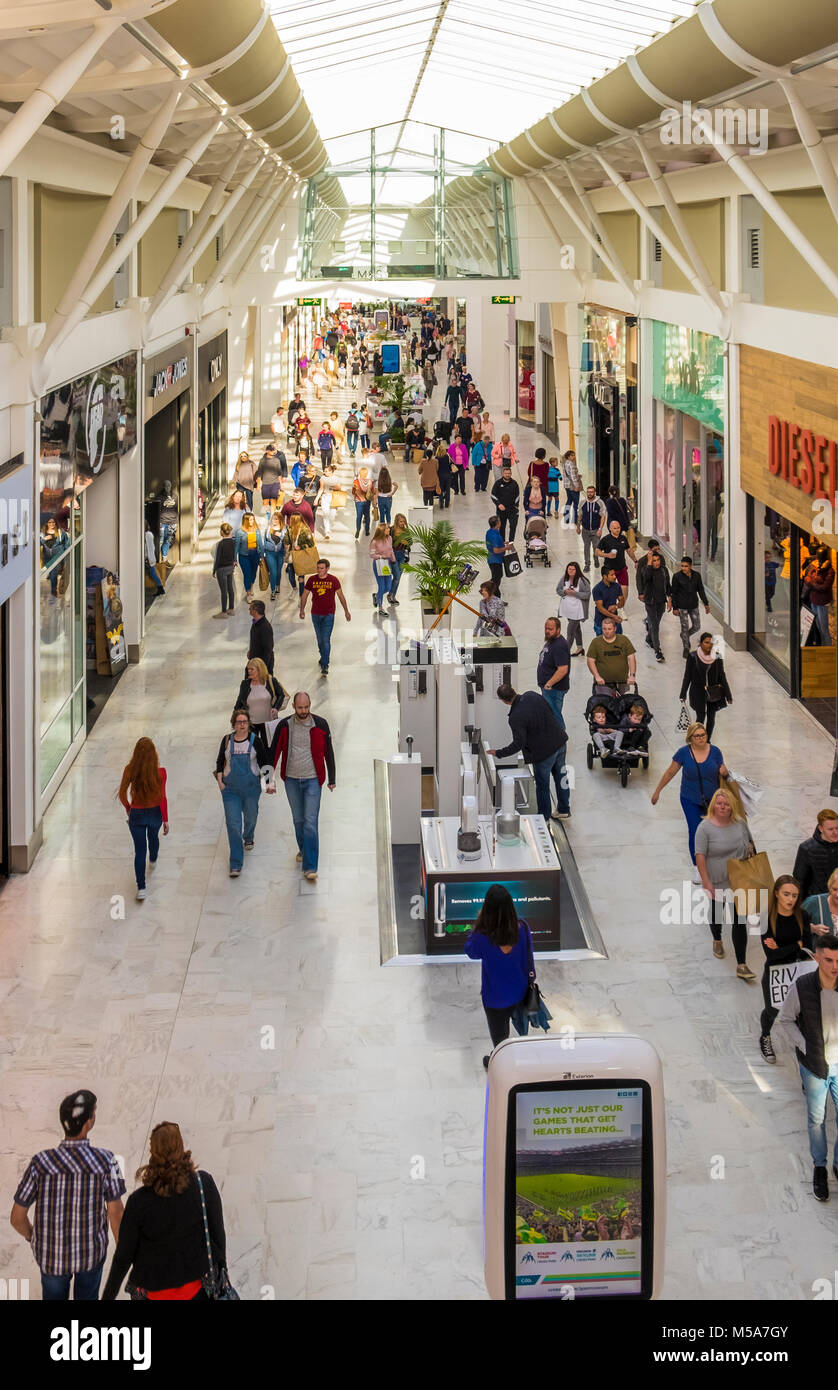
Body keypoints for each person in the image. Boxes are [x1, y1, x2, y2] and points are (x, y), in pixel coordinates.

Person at [10, 1090, 125, 1301]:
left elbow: (17, 1218)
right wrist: (124, 1255)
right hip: (91, 1254)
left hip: (50, 1257)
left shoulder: (39, 1162)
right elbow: (116, 1213)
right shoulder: (108, 1160)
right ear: (89, 1122)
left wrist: (32, 1236)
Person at [101, 1122, 227, 1302]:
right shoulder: (203, 1184)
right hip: (197, 1290)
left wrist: (108, 1297)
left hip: (154, 1293)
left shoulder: (139, 1201)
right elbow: (218, 1235)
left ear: (153, 1153)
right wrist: (223, 1276)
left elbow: (123, 1257)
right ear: (181, 1146)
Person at [777, 932, 838, 1202]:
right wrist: (804, 1046)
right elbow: (786, 1019)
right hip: (814, 1066)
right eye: (828, 960)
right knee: (817, 1119)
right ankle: (820, 1167)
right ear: (816, 958)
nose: (835, 966)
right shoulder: (802, 986)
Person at [464, 884, 534, 1068]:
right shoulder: (523, 928)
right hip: (519, 993)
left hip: (494, 999)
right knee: (520, 1031)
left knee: (500, 1040)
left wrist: (478, 924)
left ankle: (502, 1066)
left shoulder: (482, 937)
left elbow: (470, 951)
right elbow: (529, 959)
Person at [273, 692, 336, 883]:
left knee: (310, 822)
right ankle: (303, 849)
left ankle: (310, 867)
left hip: (312, 780)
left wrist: (332, 777)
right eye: (300, 708)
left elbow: (329, 752)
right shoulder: (285, 725)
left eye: (306, 707)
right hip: (291, 779)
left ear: (310, 705)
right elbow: (274, 751)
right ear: (293, 706)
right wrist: (267, 778)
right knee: (298, 820)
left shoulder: (321, 724)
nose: (303, 711)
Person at [651, 721, 729, 875]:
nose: (701, 738)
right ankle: (697, 867)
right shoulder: (683, 753)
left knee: (714, 831)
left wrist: (725, 772)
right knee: (695, 830)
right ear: (690, 738)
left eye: (703, 735)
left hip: (713, 799)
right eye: (697, 736)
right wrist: (657, 791)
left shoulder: (715, 752)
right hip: (690, 798)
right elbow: (670, 772)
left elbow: (722, 772)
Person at [695, 787, 757, 982]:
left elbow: (751, 844)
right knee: (716, 912)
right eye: (719, 803)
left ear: (732, 806)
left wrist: (749, 850)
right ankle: (717, 938)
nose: (723, 807)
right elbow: (700, 855)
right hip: (717, 880)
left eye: (727, 804)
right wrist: (706, 881)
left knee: (740, 920)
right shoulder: (704, 828)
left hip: (738, 880)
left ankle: (742, 964)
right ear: (714, 805)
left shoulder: (740, 824)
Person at [488, 683, 570, 821]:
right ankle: (564, 809)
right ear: (513, 690)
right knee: (561, 776)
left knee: (542, 785)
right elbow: (550, 711)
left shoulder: (515, 717)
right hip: (560, 742)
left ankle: (543, 818)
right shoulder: (532, 695)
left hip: (544, 753)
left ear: (503, 700)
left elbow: (518, 744)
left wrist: (498, 753)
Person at [758, 875, 813, 1063]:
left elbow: (808, 944)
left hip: (799, 969)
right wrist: (795, 944)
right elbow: (771, 955)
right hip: (775, 972)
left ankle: (804, 1049)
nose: (791, 899)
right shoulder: (767, 918)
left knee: (802, 1012)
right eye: (786, 894)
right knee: (772, 1009)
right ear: (776, 894)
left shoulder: (802, 915)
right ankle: (765, 1036)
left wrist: (783, 947)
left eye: (795, 895)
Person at [214, 710, 275, 877]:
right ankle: (236, 863)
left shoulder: (256, 742)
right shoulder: (227, 740)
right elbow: (220, 761)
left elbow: (264, 763)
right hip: (230, 790)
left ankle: (248, 835)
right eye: (239, 722)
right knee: (233, 825)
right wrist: (220, 782)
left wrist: (269, 783)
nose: (242, 725)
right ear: (234, 724)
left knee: (251, 817)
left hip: (251, 789)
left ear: (249, 724)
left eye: (245, 722)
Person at [118, 737, 169, 901]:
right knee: (153, 838)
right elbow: (163, 798)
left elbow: (121, 794)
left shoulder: (129, 770)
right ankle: (153, 858)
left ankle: (141, 888)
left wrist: (128, 808)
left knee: (139, 851)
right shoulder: (161, 773)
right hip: (155, 813)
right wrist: (166, 819)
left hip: (137, 814)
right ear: (154, 754)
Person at [299, 558, 351, 674]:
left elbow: (340, 596)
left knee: (325, 639)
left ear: (327, 568)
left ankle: (325, 664)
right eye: (318, 568)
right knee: (320, 640)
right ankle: (323, 657)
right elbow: (305, 595)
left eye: (322, 568)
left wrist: (346, 611)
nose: (319, 570)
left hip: (329, 614)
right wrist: (302, 609)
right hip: (315, 614)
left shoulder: (333, 580)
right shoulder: (312, 580)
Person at [679, 632, 732, 738]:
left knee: (711, 717)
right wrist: (683, 693)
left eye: (711, 642)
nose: (709, 645)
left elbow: (722, 676)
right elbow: (687, 676)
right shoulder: (693, 657)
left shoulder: (717, 657)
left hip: (713, 691)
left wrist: (728, 695)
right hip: (698, 691)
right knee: (700, 717)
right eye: (706, 642)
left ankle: (707, 739)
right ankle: (698, 738)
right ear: (701, 643)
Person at [235, 658, 285, 748]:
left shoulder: (271, 681)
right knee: (253, 749)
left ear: (259, 670)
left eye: (252, 669)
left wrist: (276, 708)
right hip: (251, 724)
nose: (249, 671)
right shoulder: (245, 684)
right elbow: (239, 703)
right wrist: (236, 720)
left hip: (268, 723)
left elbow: (281, 695)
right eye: (248, 669)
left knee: (268, 749)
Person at [671, 554, 711, 657]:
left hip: (693, 605)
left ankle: (684, 636)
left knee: (697, 626)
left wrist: (706, 603)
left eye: (686, 566)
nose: (683, 568)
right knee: (685, 627)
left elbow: (700, 589)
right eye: (682, 566)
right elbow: (673, 593)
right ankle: (686, 647)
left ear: (690, 566)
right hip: (682, 606)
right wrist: (675, 608)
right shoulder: (677, 577)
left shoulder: (697, 576)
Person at [793, 809, 838, 900]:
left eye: (837, 828)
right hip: (817, 902)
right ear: (820, 828)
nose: (835, 833)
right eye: (830, 829)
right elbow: (799, 881)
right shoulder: (806, 848)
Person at [586, 615, 636, 690]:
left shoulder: (624, 640)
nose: (607, 631)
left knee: (621, 700)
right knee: (605, 701)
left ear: (615, 629)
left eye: (609, 629)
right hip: (603, 683)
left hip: (622, 681)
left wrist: (632, 675)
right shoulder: (596, 642)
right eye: (604, 629)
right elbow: (590, 660)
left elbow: (631, 657)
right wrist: (597, 676)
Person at [537, 616, 570, 730]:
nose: (547, 631)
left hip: (554, 690)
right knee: (551, 716)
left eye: (550, 629)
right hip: (549, 689)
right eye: (546, 628)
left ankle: (560, 746)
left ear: (558, 630)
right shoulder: (552, 641)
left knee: (555, 719)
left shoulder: (559, 646)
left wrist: (549, 683)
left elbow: (563, 669)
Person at [641, 549, 672, 662]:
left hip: (661, 601)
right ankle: (657, 651)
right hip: (650, 602)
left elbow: (668, 585)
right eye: (654, 561)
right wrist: (649, 562)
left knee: (655, 623)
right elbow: (646, 578)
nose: (657, 562)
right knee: (655, 625)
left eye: (658, 560)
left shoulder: (664, 570)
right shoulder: (646, 569)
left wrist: (669, 598)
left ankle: (649, 638)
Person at [595, 519, 637, 600]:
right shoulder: (605, 539)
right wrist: (607, 555)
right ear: (610, 529)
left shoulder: (623, 538)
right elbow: (597, 552)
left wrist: (635, 560)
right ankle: (611, 605)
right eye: (615, 528)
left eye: (618, 528)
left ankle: (621, 606)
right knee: (610, 590)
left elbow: (628, 550)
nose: (617, 530)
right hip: (610, 570)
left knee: (625, 589)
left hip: (622, 568)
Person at [556, 561, 590, 656]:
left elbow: (587, 594)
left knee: (570, 631)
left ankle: (565, 653)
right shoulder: (564, 579)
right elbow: (558, 590)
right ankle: (580, 648)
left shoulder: (582, 581)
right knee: (576, 629)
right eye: (569, 569)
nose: (571, 571)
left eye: (573, 569)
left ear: (577, 570)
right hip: (567, 609)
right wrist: (565, 592)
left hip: (577, 610)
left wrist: (575, 593)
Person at [577, 485, 606, 572]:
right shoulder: (582, 502)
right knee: (586, 547)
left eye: (591, 492)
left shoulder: (600, 502)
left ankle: (596, 558)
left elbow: (603, 517)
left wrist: (600, 529)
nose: (590, 493)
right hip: (585, 530)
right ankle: (587, 564)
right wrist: (578, 527)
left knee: (596, 547)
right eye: (588, 492)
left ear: (595, 493)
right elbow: (580, 515)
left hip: (596, 530)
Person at [803, 866, 838, 939]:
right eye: (834, 889)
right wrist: (813, 929)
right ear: (829, 887)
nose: (837, 894)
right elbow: (793, 924)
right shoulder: (814, 902)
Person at [235, 512, 264, 602]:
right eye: (250, 519)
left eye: (253, 519)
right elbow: (236, 546)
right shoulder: (240, 532)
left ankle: (251, 586)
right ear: (246, 521)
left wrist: (262, 556)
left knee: (253, 574)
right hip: (244, 556)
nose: (252, 521)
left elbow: (260, 544)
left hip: (255, 555)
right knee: (247, 574)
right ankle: (248, 593)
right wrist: (234, 559)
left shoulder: (257, 530)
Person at [591, 565, 624, 635]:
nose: (615, 576)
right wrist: (614, 616)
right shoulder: (597, 589)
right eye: (612, 575)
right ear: (604, 576)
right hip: (601, 622)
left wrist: (616, 606)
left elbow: (622, 601)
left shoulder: (617, 586)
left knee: (619, 641)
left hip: (614, 622)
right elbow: (600, 608)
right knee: (602, 644)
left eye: (614, 574)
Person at [491, 464, 520, 543]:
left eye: (509, 473)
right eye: (506, 473)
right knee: (501, 526)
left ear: (511, 474)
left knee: (513, 525)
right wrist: (498, 504)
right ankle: (502, 542)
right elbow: (493, 495)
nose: (507, 475)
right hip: (501, 510)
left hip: (512, 509)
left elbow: (517, 496)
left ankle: (511, 542)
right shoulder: (498, 483)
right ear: (503, 474)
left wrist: (516, 506)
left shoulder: (514, 483)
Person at [370, 523, 396, 611]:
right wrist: (381, 556)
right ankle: (380, 607)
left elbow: (391, 549)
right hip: (378, 564)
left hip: (387, 564)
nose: (389, 530)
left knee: (388, 587)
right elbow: (372, 555)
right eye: (387, 529)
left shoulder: (389, 538)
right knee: (381, 587)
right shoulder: (375, 541)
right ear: (382, 530)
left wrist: (393, 559)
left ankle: (376, 596)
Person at [387, 513, 410, 606]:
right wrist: (398, 541)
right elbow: (387, 543)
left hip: (402, 555)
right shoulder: (391, 530)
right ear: (397, 521)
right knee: (396, 576)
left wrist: (407, 543)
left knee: (398, 577)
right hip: (393, 555)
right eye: (401, 521)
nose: (402, 523)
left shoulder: (406, 531)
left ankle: (392, 595)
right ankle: (391, 595)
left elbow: (410, 542)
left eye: (404, 521)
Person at [256, 443, 286, 510]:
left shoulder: (277, 460)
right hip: (265, 483)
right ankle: (267, 514)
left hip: (275, 483)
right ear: (267, 451)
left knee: (273, 500)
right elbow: (259, 473)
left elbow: (279, 473)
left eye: (274, 450)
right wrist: (258, 484)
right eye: (272, 450)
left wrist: (281, 484)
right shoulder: (262, 461)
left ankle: (272, 516)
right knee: (265, 501)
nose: (273, 451)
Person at [247, 598, 274, 674]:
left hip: (261, 666)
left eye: (250, 608)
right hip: (254, 661)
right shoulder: (256, 622)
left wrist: (262, 667)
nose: (249, 609)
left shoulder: (265, 628)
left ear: (255, 611)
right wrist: (251, 651)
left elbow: (268, 649)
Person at [263, 510, 286, 599]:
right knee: (273, 572)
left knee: (278, 572)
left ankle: (277, 585)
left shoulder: (284, 529)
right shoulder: (268, 528)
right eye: (273, 519)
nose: (274, 521)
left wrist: (281, 535)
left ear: (280, 520)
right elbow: (264, 540)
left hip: (280, 553)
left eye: (276, 519)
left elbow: (286, 541)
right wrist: (263, 553)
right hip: (270, 553)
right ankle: (272, 591)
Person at [485, 515, 510, 595]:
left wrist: (502, 543)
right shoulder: (495, 536)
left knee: (497, 577)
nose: (500, 522)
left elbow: (493, 544)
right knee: (496, 582)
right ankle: (495, 598)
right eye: (499, 521)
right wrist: (506, 548)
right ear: (497, 524)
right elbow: (496, 550)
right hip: (495, 560)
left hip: (491, 559)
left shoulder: (489, 532)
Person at [352, 467, 376, 538]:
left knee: (359, 516)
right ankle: (367, 531)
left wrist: (360, 497)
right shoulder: (370, 482)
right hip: (367, 501)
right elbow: (373, 491)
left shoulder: (356, 481)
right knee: (367, 516)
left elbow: (354, 491)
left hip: (358, 501)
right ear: (366, 474)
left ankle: (358, 529)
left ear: (359, 473)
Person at [158, 480, 179, 561]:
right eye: (166, 486)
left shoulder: (175, 497)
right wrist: (163, 504)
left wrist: (176, 523)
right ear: (163, 487)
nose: (167, 487)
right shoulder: (159, 497)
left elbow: (176, 510)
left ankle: (164, 558)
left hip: (172, 522)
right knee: (160, 540)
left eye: (169, 486)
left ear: (171, 487)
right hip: (162, 521)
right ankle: (158, 558)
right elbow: (157, 509)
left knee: (167, 540)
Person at [562, 450, 582, 525]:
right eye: (572, 455)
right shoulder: (571, 464)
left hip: (567, 485)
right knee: (576, 503)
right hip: (573, 486)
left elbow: (568, 475)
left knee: (569, 501)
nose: (574, 457)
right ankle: (575, 519)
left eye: (574, 455)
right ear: (568, 456)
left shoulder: (565, 463)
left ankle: (566, 517)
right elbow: (573, 477)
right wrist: (577, 486)